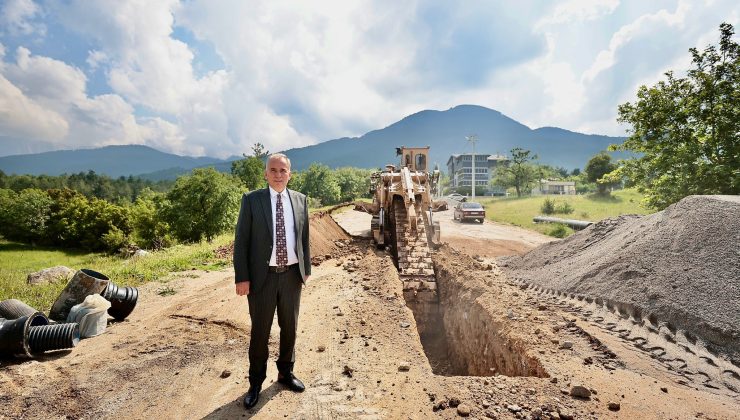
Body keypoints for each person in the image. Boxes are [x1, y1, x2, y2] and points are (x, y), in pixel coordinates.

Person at [233, 153, 311, 409]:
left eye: (283, 170)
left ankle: (285, 373)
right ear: (266, 173)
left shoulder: (300, 200)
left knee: (290, 328)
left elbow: (304, 238)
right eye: (273, 170)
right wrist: (242, 277)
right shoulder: (252, 200)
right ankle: (255, 382)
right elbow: (242, 241)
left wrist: (305, 268)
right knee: (260, 332)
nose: (278, 175)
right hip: (262, 279)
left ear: (290, 173)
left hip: (291, 276)